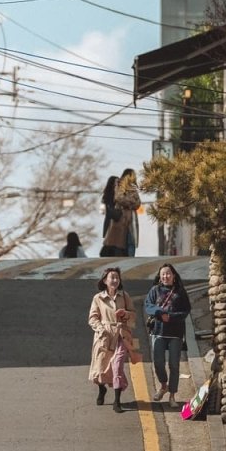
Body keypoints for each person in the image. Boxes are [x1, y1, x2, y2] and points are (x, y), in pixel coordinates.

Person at [88, 266, 137, 413]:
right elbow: (92, 318)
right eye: (112, 277)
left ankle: (117, 401)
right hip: (104, 336)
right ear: (105, 280)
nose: (115, 280)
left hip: (121, 334)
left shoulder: (124, 296)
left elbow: (133, 314)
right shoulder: (98, 298)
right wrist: (100, 329)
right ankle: (102, 389)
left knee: (117, 366)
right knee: (101, 367)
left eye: (117, 277)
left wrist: (126, 314)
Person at [144, 263, 191, 406]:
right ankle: (163, 385)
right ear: (160, 276)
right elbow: (148, 306)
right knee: (158, 363)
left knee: (174, 365)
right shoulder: (155, 290)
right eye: (163, 274)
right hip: (158, 331)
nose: (166, 276)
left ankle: (172, 395)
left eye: (168, 273)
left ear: (174, 276)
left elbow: (186, 310)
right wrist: (160, 313)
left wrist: (170, 317)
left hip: (175, 333)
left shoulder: (180, 292)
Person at [114, 167, 141, 257]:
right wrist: (131, 202)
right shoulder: (119, 184)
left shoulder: (133, 187)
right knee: (122, 240)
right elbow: (119, 198)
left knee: (131, 240)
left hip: (132, 217)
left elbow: (138, 203)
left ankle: (131, 258)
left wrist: (129, 203)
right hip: (121, 216)